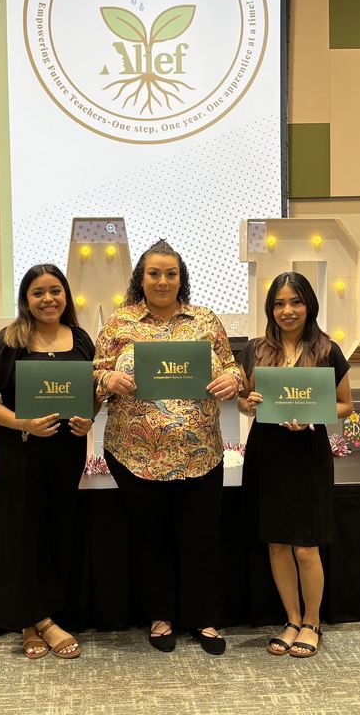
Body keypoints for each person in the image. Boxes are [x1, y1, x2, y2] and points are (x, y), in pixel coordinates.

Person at [94, 239, 242, 655]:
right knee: (150, 539)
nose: (162, 281)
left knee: (200, 538)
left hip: (201, 453)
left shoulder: (205, 320)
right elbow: (95, 372)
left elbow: (232, 367)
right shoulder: (119, 323)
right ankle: (160, 616)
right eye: (154, 273)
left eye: (171, 273)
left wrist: (234, 380)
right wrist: (108, 381)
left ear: (182, 278)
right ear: (141, 278)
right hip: (135, 455)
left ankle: (204, 618)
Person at [0, 264, 96, 661]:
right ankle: (42, 622)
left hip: (65, 452)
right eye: (38, 293)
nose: (48, 299)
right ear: (25, 300)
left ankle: (33, 620)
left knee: (55, 530)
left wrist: (89, 416)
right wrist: (23, 422)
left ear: (66, 296)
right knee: (21, 534)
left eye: (55, 291)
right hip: (20, 450)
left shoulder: (80, 339)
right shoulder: (12, 339)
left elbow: (93, 393)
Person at [237, 272, 353, 659]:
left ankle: (312, 621)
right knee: (277, 544)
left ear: (309, 306)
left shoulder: (327, 349)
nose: (287, 311)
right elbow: (242, 401)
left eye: (295, 302)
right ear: (271, 309)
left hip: (308, 454)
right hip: (267, 452)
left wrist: (312, 414)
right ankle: (290, 619)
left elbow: (345, 406)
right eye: (279, 304)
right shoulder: (255, 349)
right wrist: (248, 403)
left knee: (306, 547)